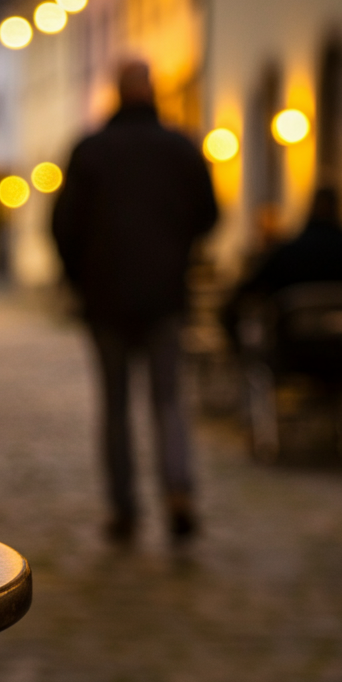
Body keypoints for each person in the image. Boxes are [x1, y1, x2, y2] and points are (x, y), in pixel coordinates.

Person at [51, 60, 219, 542]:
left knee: (116, 405)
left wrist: (78, 278)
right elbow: (209, 214)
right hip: (166, 294)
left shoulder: (91, 150)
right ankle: (179, 493)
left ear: (116, 94)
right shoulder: (180, 148)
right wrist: (176, 251)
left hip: (104, 298)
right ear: (154, 91)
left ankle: (124, 508)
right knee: (168, 401)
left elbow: (63, 226)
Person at [220, 186, 342, 349]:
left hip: (294, 354)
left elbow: (244, 295)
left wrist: (240, 351)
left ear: (310, 209)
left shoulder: (287, 253)